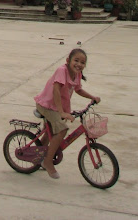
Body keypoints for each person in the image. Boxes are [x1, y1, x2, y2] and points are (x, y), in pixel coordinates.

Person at [34, 48, 100, 179]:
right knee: (62, 130)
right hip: (47, 105)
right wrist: (62, 113)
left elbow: (78, 89)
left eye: (82, 62)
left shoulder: (77, 74)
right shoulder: (61, 71)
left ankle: (38, 156)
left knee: (50, 133)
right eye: (76, 60)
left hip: (56, 107)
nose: (79, 64)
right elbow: (56, 91)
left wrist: (92, 97)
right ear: (68, 60)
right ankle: (47, 161)